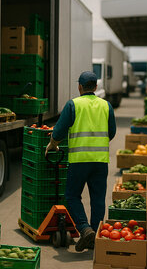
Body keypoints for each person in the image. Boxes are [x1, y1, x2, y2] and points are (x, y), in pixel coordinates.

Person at [45, 71, 116, 252]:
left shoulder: (73, 105)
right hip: (100, 161)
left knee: (72, 195)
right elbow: (112, 132)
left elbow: (59, 131)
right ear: (96, 87)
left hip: (79, 161)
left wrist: (52, 144)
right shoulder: (106, 105)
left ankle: (84, 229)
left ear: (80, 87)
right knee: (98, 199)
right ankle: (95, 237)